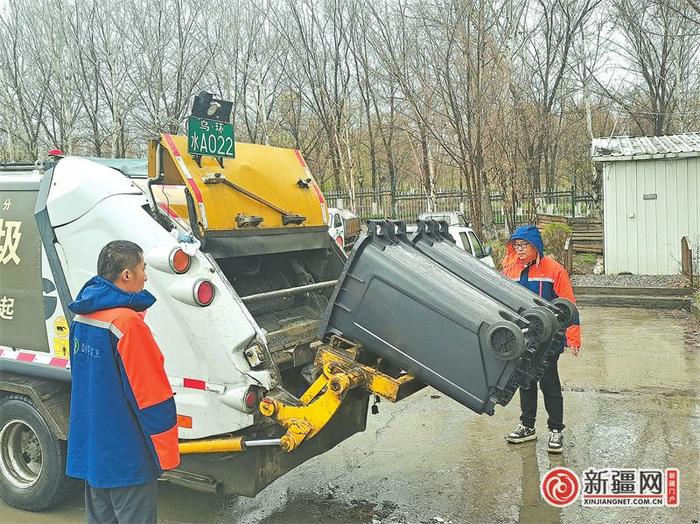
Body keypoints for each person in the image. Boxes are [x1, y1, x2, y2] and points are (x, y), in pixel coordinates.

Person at [67, 240, 180, 523]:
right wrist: (166, 454)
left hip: (96, 452)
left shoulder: (82, 317)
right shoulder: (128, 325)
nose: (146, 276)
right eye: (142, 269)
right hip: (127, 456)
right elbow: (151, 396)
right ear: (126, 275)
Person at [501, 225, 581, 453]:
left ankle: (556, 430)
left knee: (549, 384)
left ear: (536, 246)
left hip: (549, 339)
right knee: (525, 382)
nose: (520, 249)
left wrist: (573, 337)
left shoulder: (554, 270)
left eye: (524, 245)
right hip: (523, 339)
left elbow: (569, 305)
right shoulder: (510, 269)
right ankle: (527, 426)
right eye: (517, 245)